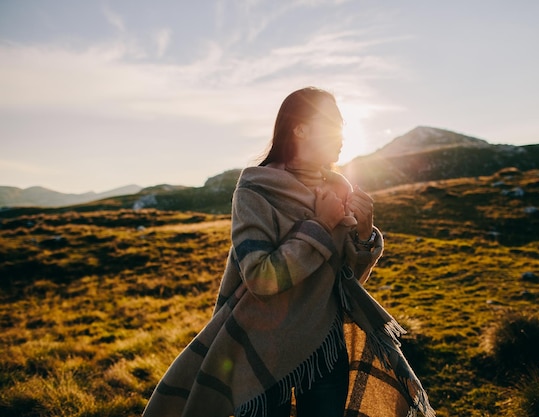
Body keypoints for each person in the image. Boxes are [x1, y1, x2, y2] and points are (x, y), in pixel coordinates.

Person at [143, 87, 435, 417]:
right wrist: (321, 226)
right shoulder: (257, 189)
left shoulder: (339, 188)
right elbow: (260, 278)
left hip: (325, 344)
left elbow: (345, 279)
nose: (341, 134)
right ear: (299, 128)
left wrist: (366, 233)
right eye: (331, 123)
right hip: (263, 344)